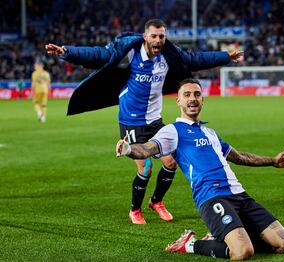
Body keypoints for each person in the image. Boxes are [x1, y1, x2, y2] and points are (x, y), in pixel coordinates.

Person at [45, 19, 243, 224]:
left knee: (171, 162)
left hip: (154, 120)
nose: (158, 40)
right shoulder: (130, 53)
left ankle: (156, 201)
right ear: (145, 36)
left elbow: (194, 59)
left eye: (162, 36)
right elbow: (99, 55)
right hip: (131, 121)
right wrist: (66, 51)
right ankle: (135, 210)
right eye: (154, 36)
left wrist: (225, 56)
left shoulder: (168, 56)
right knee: (146, 167)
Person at [116, 78, 284, 260]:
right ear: (178, 101)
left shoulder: (210, 133)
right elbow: (147, 148)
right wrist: (129, 149)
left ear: (203, 100)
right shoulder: (173, 131)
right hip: (212, 197)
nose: (192, 99)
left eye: (197, 94)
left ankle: (225, 235)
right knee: (242, 252)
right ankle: (190, 244)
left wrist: (272, 160)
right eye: (186, 95)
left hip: (240, 194)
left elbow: (240, 157)